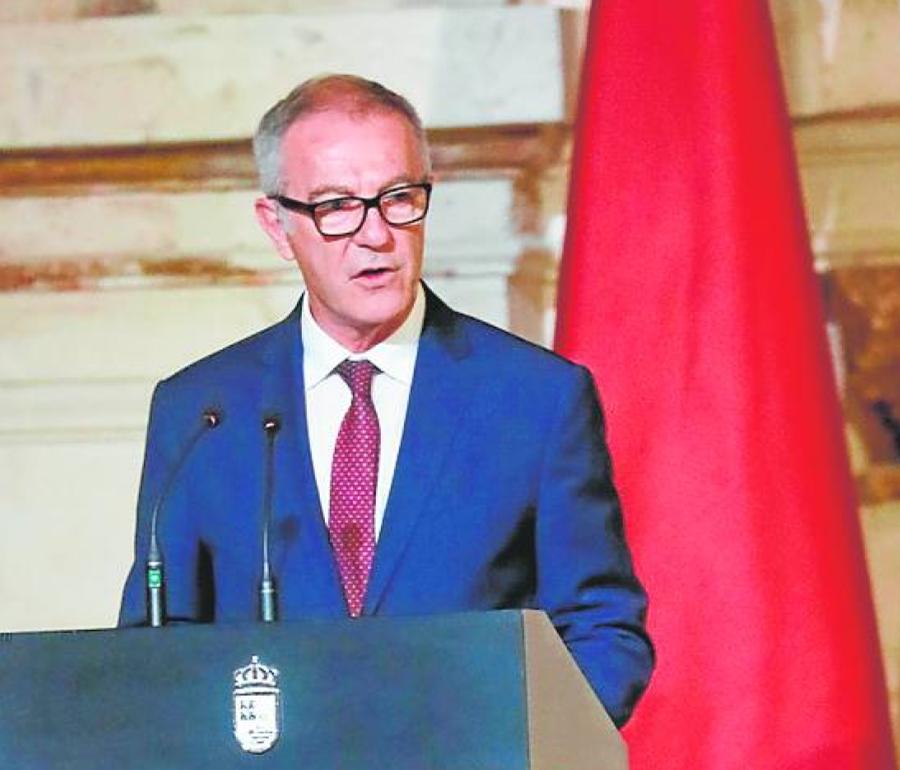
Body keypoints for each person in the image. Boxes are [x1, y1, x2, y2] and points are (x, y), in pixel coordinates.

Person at [118, 74, 653, 725]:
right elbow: (155, 646)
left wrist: (519, 749)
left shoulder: (535, 400)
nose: (376, 235)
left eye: (398, 198)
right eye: (337, 206)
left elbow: (602, 630)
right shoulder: (202, 411)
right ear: (278, 226)